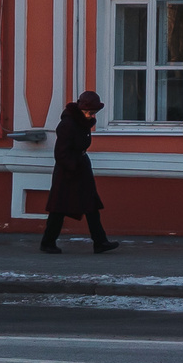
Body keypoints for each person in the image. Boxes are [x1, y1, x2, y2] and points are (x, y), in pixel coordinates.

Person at [40, 90, 120, 254]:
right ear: (81, 108)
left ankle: (100, 242)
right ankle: (47, 243)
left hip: (79, 169)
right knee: (59, 209)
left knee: (91, 206)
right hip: (68, 173)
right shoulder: (68, 124)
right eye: (90, 112)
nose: (92, 115)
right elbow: (60, 153)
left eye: (94, 112)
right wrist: (73, 167)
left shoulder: (81, 122)